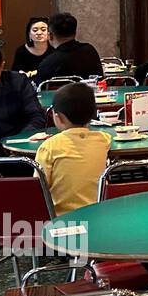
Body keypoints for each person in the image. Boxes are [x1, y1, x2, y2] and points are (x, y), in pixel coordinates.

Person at [35, 82, 111, 214]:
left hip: (61, 218)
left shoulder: (48, 146)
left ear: (58, 117)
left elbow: (38, 187)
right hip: (97, 213)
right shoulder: (103, 139)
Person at [0, 42, 46, 147]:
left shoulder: (17, 82)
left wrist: (21, 139)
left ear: (2, 67)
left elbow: (36, 116)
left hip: (13, 146)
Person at [33, 12, 102, 83]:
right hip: (91, 93)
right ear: (75, 33)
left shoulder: (48, 63)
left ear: (50, 35)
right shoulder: (90, 50)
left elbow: (40, 89)